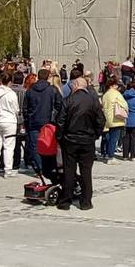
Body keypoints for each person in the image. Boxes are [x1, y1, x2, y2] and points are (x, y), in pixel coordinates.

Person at [56, 76, 104, 209]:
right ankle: (86, 202)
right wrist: (96, 134)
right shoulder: (93, 101)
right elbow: (101, 120)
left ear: (76, 85)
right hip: (87, 140)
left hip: (70, 140)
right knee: (86, 172)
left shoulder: (68, 100)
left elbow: (60, 121)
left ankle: (66, 201)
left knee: (69, 171)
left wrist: (59, 138)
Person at [100, 79, 127, 163]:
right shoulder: (116, 94)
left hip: (107, 119)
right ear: (112, 85)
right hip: (116, 119)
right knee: (114, 139)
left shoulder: (105, 95)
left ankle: (107, 154)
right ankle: (111, 157)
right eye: (116, 85)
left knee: (108, 138)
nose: (117, 87)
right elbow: (124, 104)